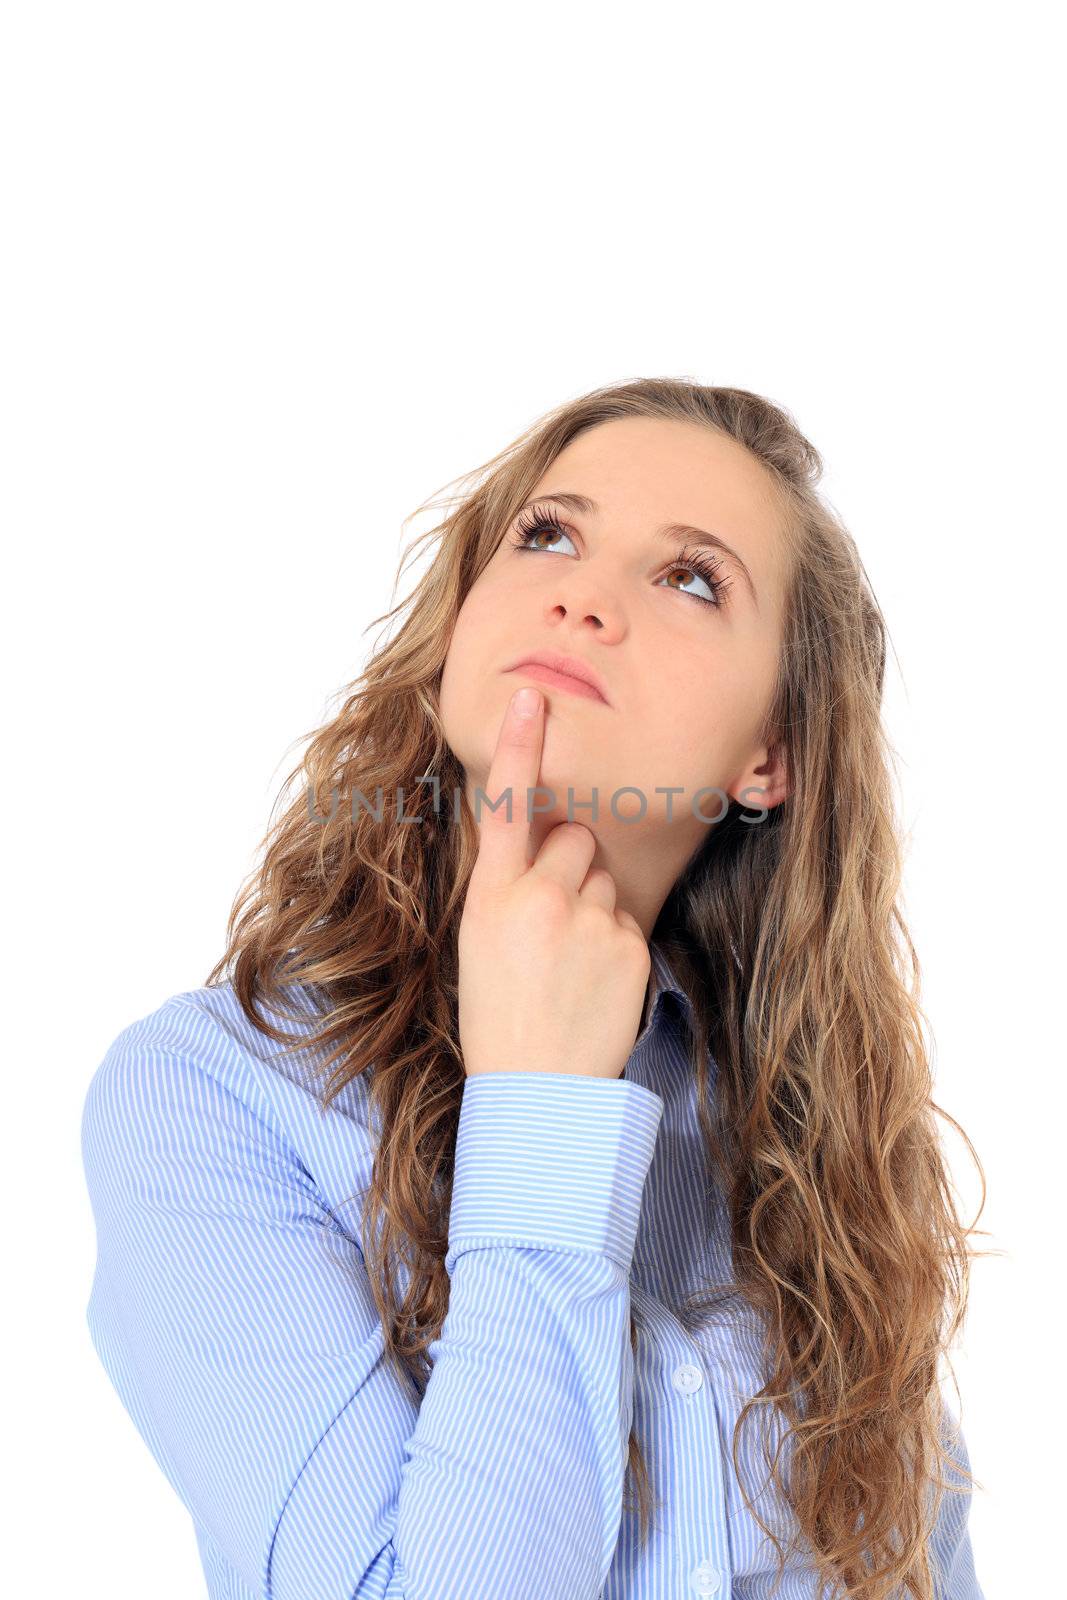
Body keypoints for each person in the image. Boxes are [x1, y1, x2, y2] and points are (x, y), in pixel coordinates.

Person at [81, 378, 987, 1599]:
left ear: (764, 758)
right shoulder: (212, 1096)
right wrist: (542, 1107)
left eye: (690, 579)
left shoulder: (831, 1168)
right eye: (547, 534)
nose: (581, 592)